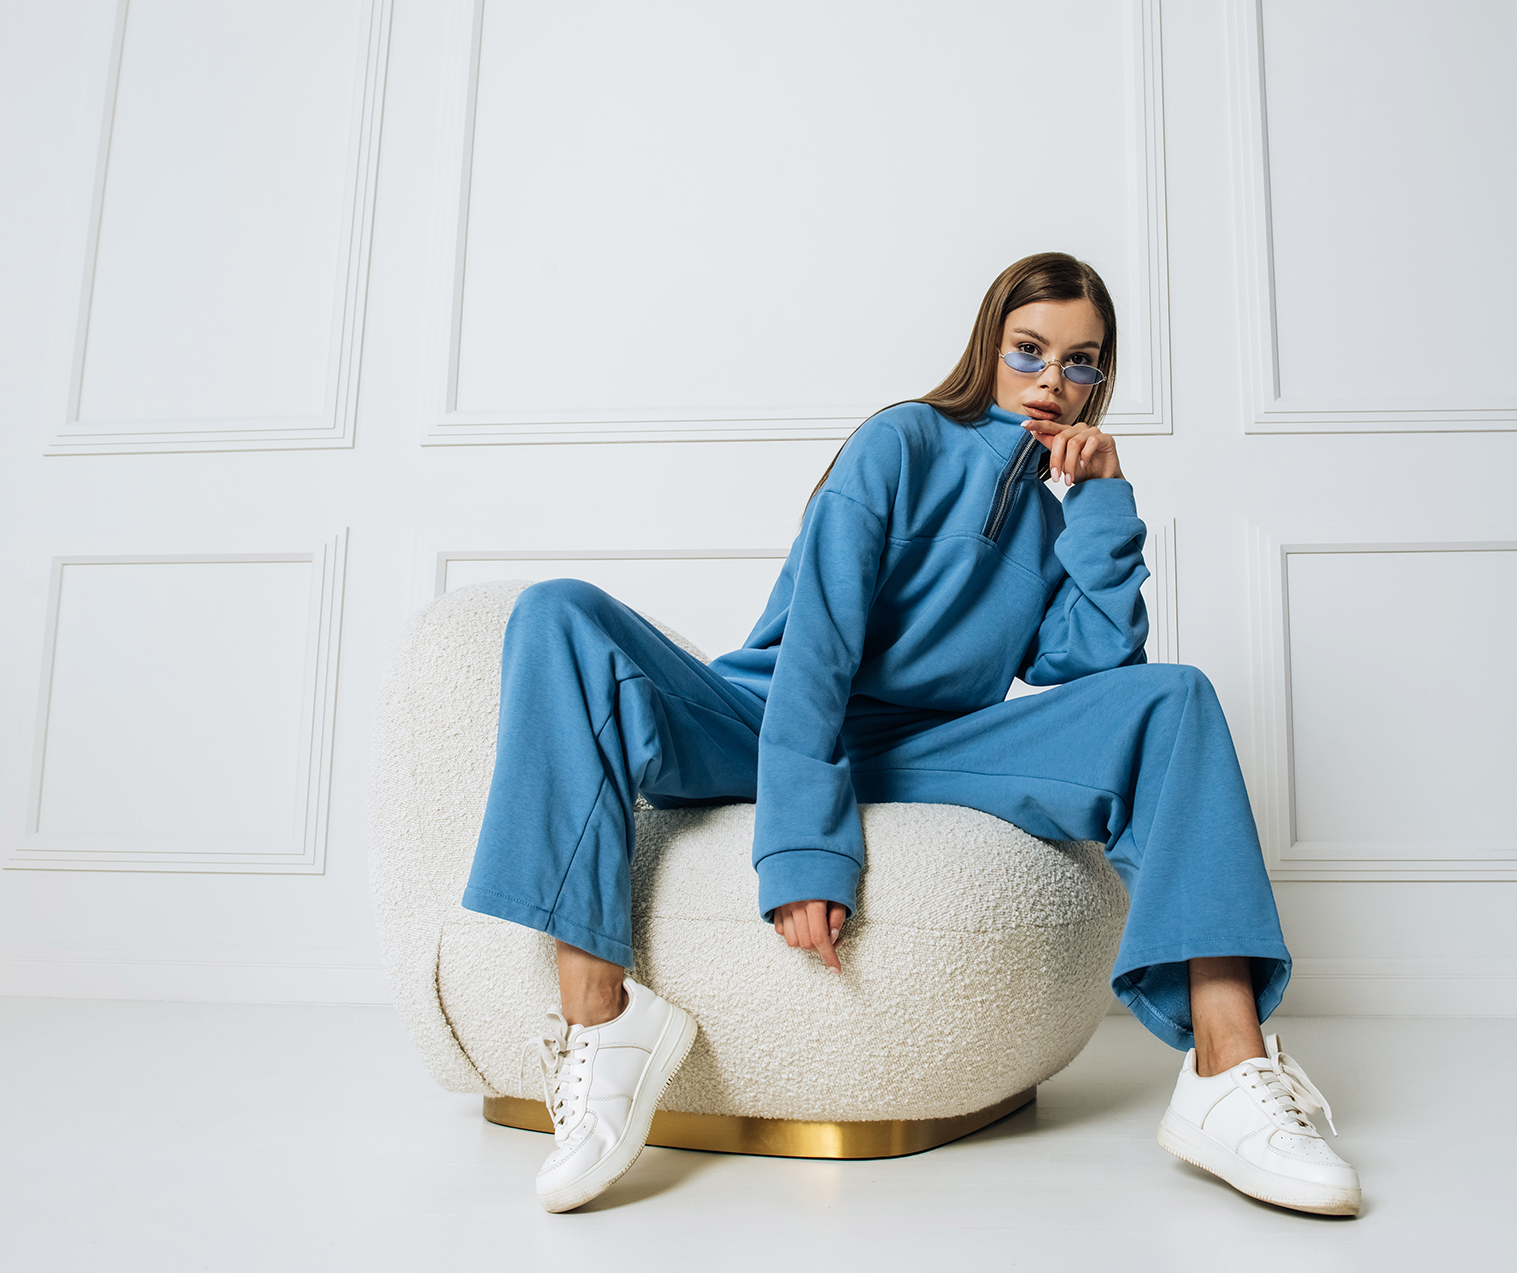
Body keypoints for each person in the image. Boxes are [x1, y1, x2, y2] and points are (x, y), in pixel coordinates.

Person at [462, 252, 1361, 1216]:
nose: (1054, 380)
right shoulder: (903, 441)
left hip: (926, 746)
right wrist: (805, 849)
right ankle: (602, 1015)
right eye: (1031, 350)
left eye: (1083, 362)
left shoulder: (1056, 513)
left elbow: (1094, 667)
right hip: (762, 721)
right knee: (557, 611)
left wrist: (1100, 498)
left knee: (1174, 700)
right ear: (991, 345)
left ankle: (1228, 1065)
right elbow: (818, 648)